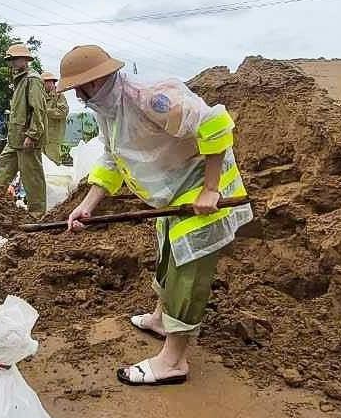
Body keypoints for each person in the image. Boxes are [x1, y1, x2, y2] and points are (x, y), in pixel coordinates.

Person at [61, 46, 252, 386]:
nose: (77, 94)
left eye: (82, 86)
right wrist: (88, 204)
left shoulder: (149, 96)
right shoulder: (108, 109)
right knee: (168, 253)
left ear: (101, 78)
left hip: (204, 184)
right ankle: (162, 320)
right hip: (174, 189)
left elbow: (215, 123)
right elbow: (111, 158)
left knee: (187, 267)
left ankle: (173, 360)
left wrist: (210, 189)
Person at [0, 44, 48, 214]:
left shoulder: (32, 79)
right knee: (1, 171)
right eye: (11, 60)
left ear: (26, 60)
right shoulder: (21, 80)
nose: (13, 63)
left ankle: (37, 216)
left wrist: (32, 135)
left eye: (16, 59)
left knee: (32, 180)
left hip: (27, 139)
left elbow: (38, 110)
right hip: (15, 139)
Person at [42, 71, 70, 164]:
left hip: (53, 135)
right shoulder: (40, 96)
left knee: (53, 160)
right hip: (41, 135)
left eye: (50, 81)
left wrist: (46, 111)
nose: (48, 84)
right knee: (42, 162)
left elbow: (63, 112)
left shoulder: (59, 95)